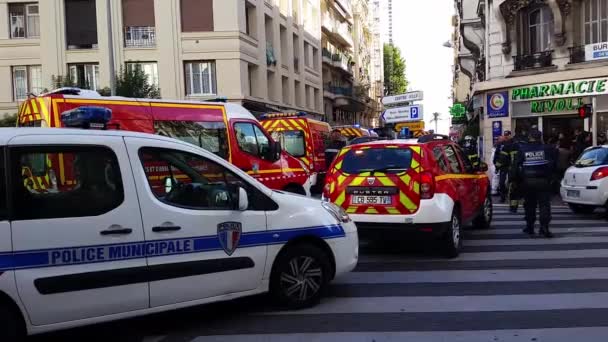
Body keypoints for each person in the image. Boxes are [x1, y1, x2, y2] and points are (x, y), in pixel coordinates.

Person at [511, 129, 557, 238]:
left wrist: (514, 180)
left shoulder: (523, 149)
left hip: (527, 181)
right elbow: (554, 165)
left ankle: (530, 227)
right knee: (544, 205)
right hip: (543, 181)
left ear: (530, 137)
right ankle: (544, 228)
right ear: (540, 137)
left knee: (529, 205)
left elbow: (515, 166)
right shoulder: (548, 149)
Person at [493, 131, 512, 203]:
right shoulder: (501, 144)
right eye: (505, 135)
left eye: (507, 135)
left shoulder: (513, 143)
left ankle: (511, 197)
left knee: (512, 182)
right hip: (503, 166)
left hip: (511, 166)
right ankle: (502, 197)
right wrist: (496, 165)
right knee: (501, 183)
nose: (506, 136)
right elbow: (496, 155)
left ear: (510, 135)